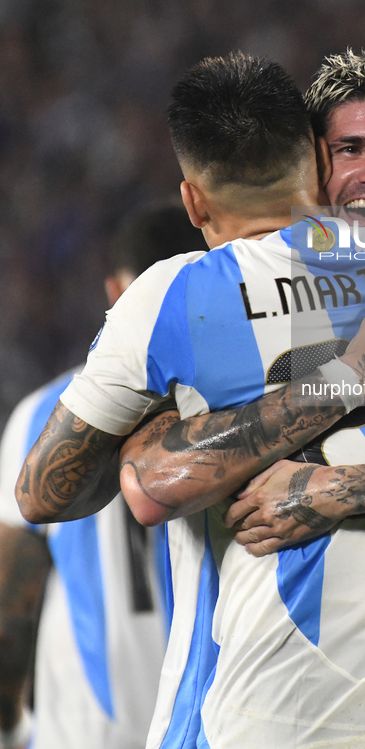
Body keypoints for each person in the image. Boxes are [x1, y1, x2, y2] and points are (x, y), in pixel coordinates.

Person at [16, 53, 365, 749]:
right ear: (311, 165)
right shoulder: (210, 295)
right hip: (277, 708)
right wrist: (350, 380)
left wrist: (337, 487)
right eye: (350, 150)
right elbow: (148, 480)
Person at [0, 201, 207, 749]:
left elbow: (6, 615)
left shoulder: (42, 418)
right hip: (215, 724)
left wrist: (12, 728)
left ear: (116, 295)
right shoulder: (260, 408)